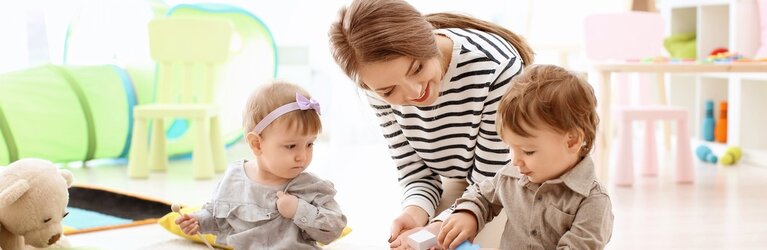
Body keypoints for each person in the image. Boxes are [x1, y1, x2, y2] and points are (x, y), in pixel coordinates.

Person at [329, 0, 535, 248]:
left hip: (512, 181)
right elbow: (416, 172)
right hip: (463, 180)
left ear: (428, 40)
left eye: (417, 69)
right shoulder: (376, 85)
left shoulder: (496, 67)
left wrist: (442, 225)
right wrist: (414, 212)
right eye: (388, 90)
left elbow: (492, 180)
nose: (415, 93)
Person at [438, 65, 614, 250]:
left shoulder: (593, 202)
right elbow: (482, 195)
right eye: (510, 148)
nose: (515, 161)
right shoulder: (512, 175)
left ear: (571, 141)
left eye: (528, 151)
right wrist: (469, 214)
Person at [175, 82, 347, 249]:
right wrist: (198, 221)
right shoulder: (235, 179)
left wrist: (298, 210)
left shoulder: (310, 187)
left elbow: (334, 228)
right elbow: (218, 215)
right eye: (291, 146)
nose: (302, 156)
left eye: (310, 144)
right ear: (257, 144)